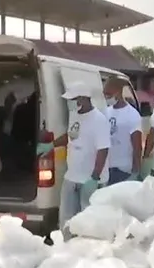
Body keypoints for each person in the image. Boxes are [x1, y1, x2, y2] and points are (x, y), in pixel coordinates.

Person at [36, 81, 110, 230]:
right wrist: (51, 145)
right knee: (66, 219)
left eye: (73, 99)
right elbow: (70, 135)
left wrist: (95, 177)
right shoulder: (75, 116)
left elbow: (103, 150)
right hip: (72, 177)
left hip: (89, 180)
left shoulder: (99, 120)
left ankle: (86, 250)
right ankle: (67, 248)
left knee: (88, 221)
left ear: (84, 98)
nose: (71, 103)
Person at [103, 76, 142, 184]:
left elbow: (137, 148)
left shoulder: (132, 115)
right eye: (105, 94)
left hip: (122, 171)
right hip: (106, 170)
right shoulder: (106, 112)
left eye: (109, 94)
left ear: (118, 92)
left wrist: (135, 172)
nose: (106, 97)